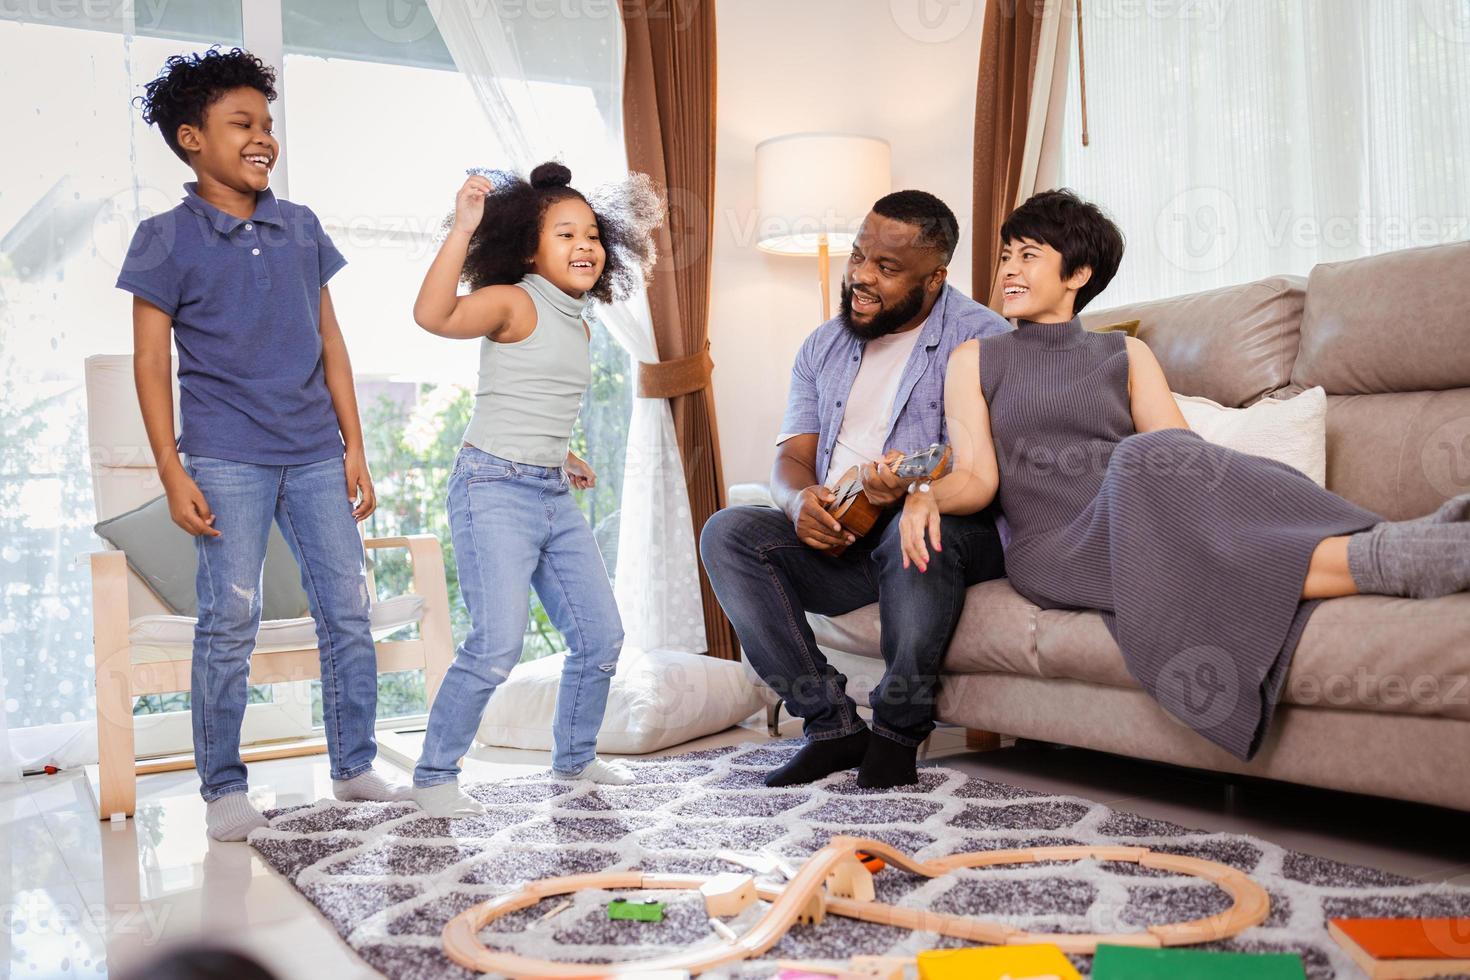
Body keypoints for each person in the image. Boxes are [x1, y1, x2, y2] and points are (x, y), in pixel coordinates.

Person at [900, 189, 1470, 760]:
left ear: (1078, 273)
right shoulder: (975, 359)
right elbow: (977, 478)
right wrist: (926, 493)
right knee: (1142, 458)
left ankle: (1399, 553)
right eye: (1006, 257)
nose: (1009, 272)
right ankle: (1404, 547)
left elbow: (1186, 460)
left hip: (1142, 521)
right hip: (1056, 547)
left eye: (1028, 256)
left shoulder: (1124, 354)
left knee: (1161, 457)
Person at [117, 48, 408, 842]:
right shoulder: (162, 238)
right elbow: (152, 363)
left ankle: (352, 767)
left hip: (315, 451)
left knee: (348, 609)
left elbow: (332, 341)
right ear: (191, 139)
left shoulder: (300, 226)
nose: (262, 137)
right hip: (225, 455)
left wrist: (355, 445)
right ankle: (222, 789)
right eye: (240, 123)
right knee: (229, 621)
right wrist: (171, 471)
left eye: (267, 124)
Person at [701, 191, 1011, 790]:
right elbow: (792, 456)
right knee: (729, 532)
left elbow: (985, 469)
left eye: (887, 269)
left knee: (913, 524)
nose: (862, 278)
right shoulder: (824, 344)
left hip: (944, 534)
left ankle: (896, 736)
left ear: (935, 278)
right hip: (848, 537)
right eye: (857, 257)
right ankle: (833, 726)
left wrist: (912, 486)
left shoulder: (982, 340)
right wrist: (798, 503)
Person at [409, 162, 662, 817]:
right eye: (564, 233)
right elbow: (432, 315)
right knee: (496, 643)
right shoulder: (514, 299)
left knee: (601, 638)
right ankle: (435, 774)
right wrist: (464, 226)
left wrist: (564, 452)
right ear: (528, 247)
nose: (584, 245)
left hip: (550, 492)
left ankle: (574, 760)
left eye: (592, 235)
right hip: (491, 487)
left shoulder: (577, 320)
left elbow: (531, 395)